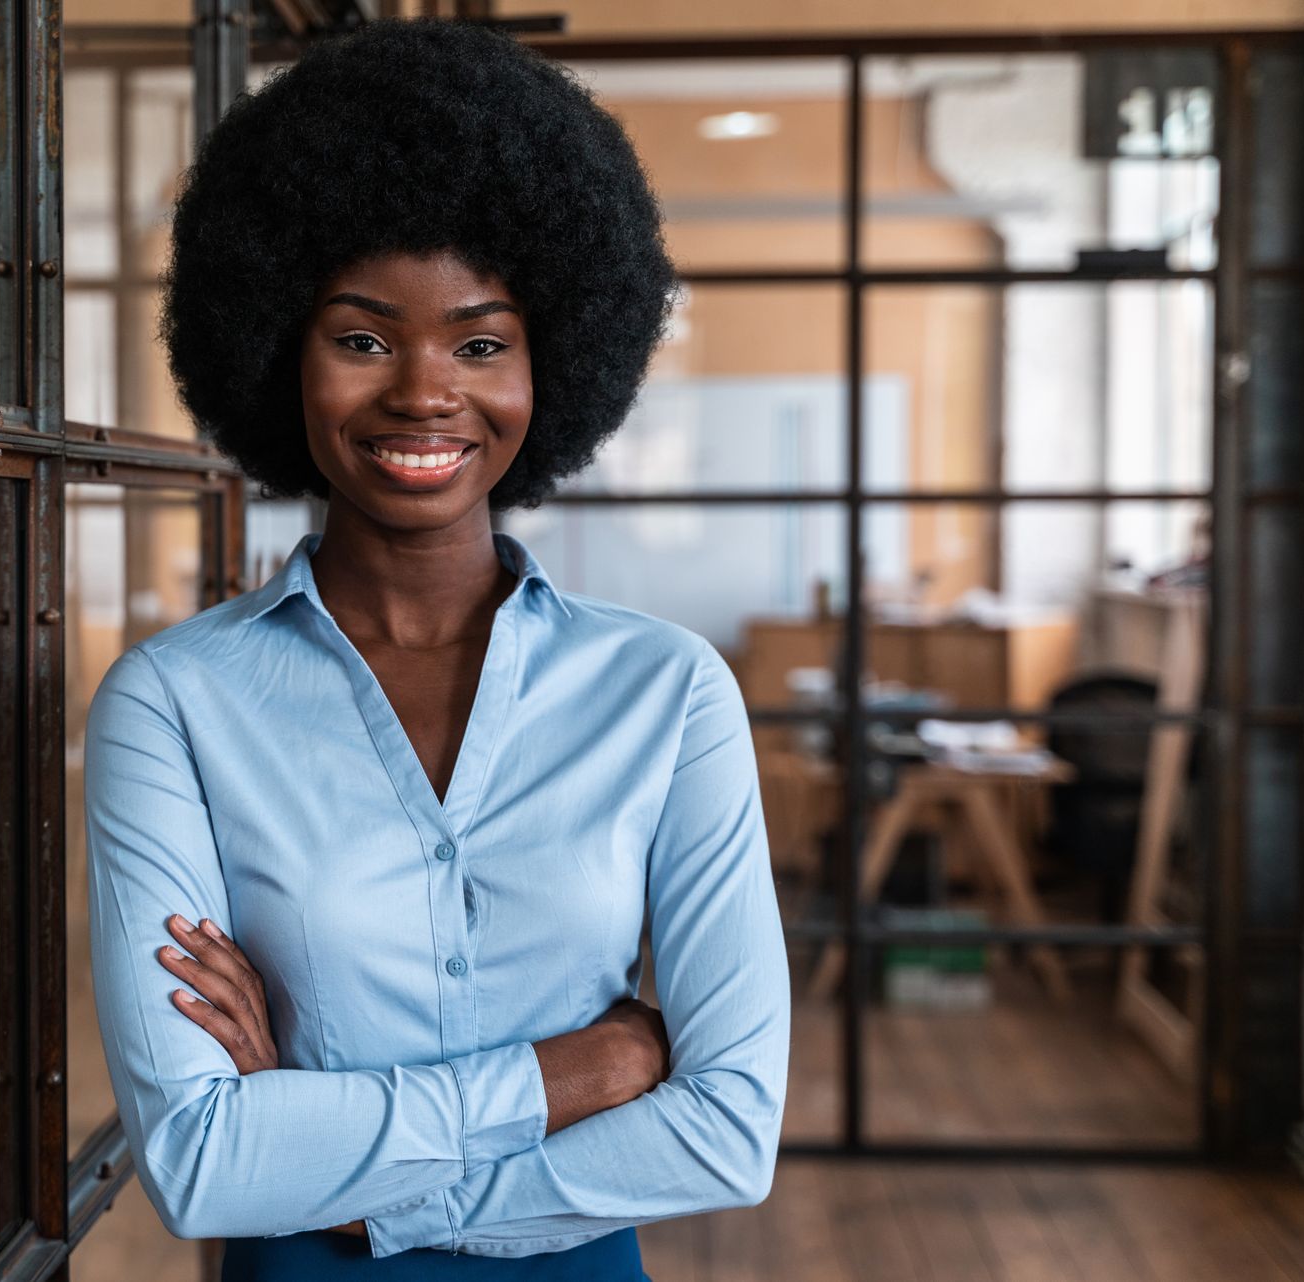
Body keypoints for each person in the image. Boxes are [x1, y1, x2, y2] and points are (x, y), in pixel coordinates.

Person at [83, 19, 789, 1280]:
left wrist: (359, 1182)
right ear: (279, 354)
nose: (423, 391)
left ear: (551, 361)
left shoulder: (667, 693)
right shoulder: (177, 702)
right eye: (362, 338)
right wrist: (593, 1066)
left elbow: (731, 1132)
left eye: (480, 341)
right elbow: (200, 1161)